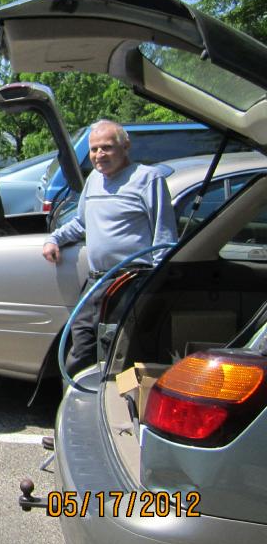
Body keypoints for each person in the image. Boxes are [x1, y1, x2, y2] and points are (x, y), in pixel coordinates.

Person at [42, 120, 177, 374]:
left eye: (107, 148)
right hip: (96, 282)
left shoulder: (147, 178)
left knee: (121, 352)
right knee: (81, 344)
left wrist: (157, 284)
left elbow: (164, 235)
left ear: (125, 147)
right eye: (94, 149)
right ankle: (78, 402)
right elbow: (81, 223)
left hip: (131, 281)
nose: (99, 155)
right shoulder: (94, 179)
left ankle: (116, 406)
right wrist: (54, 239)